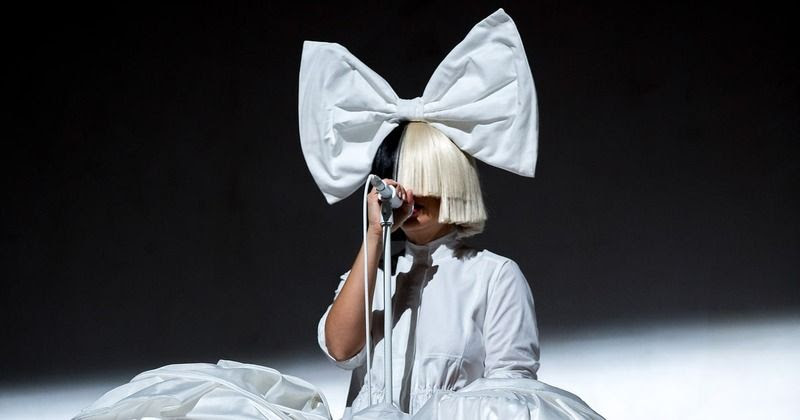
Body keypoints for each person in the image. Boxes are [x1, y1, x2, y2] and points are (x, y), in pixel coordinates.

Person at [317, 122, 541, 416]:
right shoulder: (375, 274)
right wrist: (376, 234)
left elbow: (510, 394)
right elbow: (340, 349)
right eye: (397, 177)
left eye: (421, 176)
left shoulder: (495, 276)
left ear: (452, 179)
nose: (407, 192)